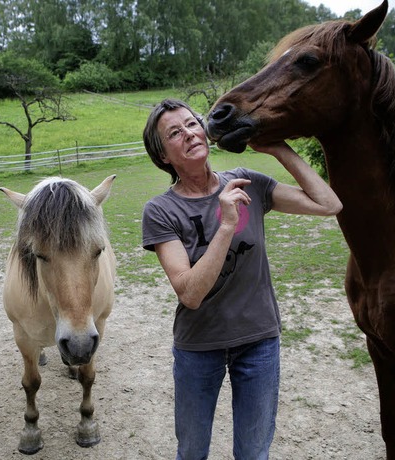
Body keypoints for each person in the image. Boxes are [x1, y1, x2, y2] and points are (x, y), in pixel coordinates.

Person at [141, 98, 342, 460]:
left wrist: (279, 149)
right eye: (174, 132)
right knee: (192, 451)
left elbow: (329, 204)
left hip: (259, 341)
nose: (188, 133)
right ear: (164, 156)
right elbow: (189, 293)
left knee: (253, 452)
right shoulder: (161, 211)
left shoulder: (247, 183)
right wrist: (227, 224)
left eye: (191, 123)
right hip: (198, 347)